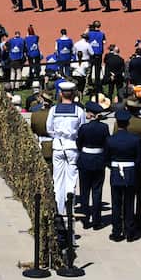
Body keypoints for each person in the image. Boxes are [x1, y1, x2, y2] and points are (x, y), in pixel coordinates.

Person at [48, 80, 86, 218]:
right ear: (74, 94)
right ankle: (70, 207)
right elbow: (82, 129)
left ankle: (59, 209)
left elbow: (49, 129)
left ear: (60, 93)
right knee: (71, 179)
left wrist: (58, 137)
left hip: (58, 146)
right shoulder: (79, 111)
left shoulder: (53, 110)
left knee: (57, 179)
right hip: (72, 146)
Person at [106, 108, 141, 242]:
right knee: (129, 202)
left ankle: (117, 232)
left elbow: (107, 159)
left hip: (116, 172)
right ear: (128, 123)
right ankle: (130, 232)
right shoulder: (135, 140)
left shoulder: (110, 140)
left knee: (116, 203)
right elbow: (138, 160)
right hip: (130, 173)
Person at [75, 100, 109, 230]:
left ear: (90, 114)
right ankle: (96, 220)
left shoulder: (84, 128)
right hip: (98, 160)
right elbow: (106, 144)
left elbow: (79, 143)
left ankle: (85, 218)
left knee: (84, 191)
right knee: (97, 191)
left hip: (85, 160)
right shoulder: (104, 127)